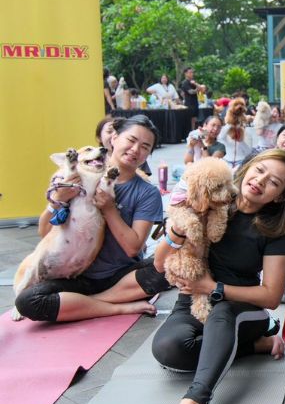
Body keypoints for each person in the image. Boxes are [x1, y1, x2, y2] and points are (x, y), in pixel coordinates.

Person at [152, 149, 285, 404]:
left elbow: (271, 296)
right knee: (169, 350)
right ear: (248, 167)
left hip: (241, 307)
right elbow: (159, 263)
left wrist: (213, 287)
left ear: (280, 195)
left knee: (221, 314)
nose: (260, 181)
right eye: (260, 170)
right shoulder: (212, 199)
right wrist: (176, 231)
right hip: (193, 300)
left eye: (273, 182)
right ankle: (253, 347)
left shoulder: (275, 231)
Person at [15, 115, 169, 322]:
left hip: (120, 278)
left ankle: (84, 303)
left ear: (149, 153)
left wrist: (109, 208)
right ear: (114, 138)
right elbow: (43, 232)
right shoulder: (77, 174)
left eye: (144, 146)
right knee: (28, 301)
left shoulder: (147, 192)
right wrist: (57, 202)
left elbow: (133, 248)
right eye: (131, 141)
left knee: (169, 267)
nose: (135, 150)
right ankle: (116, 307)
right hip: (77, 277)